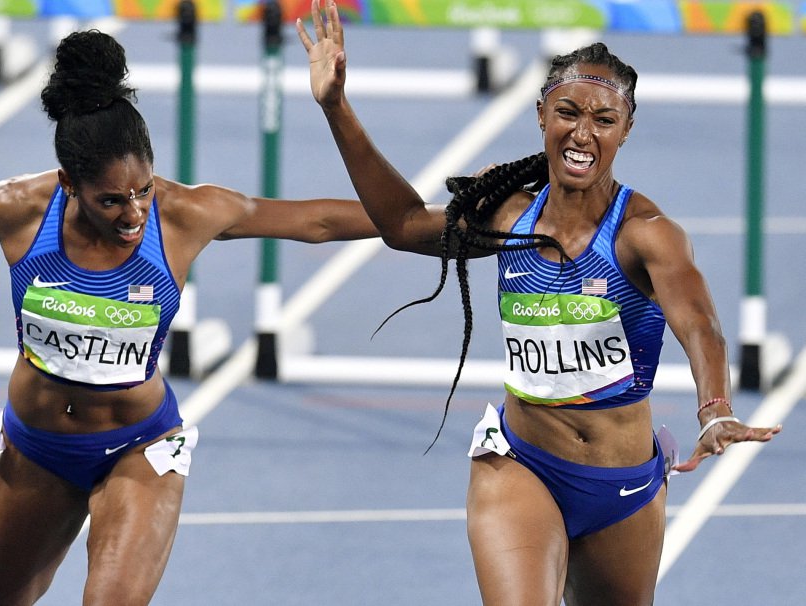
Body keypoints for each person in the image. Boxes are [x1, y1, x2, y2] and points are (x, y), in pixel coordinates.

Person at [0, 29, 377, 605]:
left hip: (138, 448)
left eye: (142, 190)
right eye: (111, 200)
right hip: (36, 448)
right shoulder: (16, 208)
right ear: (69, 184)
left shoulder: (186, 214)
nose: (134, 211)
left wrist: (427, 222)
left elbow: (319, 223)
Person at [297, 1, 781, 603]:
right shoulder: (508, 216)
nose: (582, 133)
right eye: (568, 113)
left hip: (621, 486)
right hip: (521, 465)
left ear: (626, 130)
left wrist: (715, 409)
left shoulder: (646, 233)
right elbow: (399, 224)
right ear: (541, 115)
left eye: (603, 120)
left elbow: (701, 325)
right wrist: (336, 106)